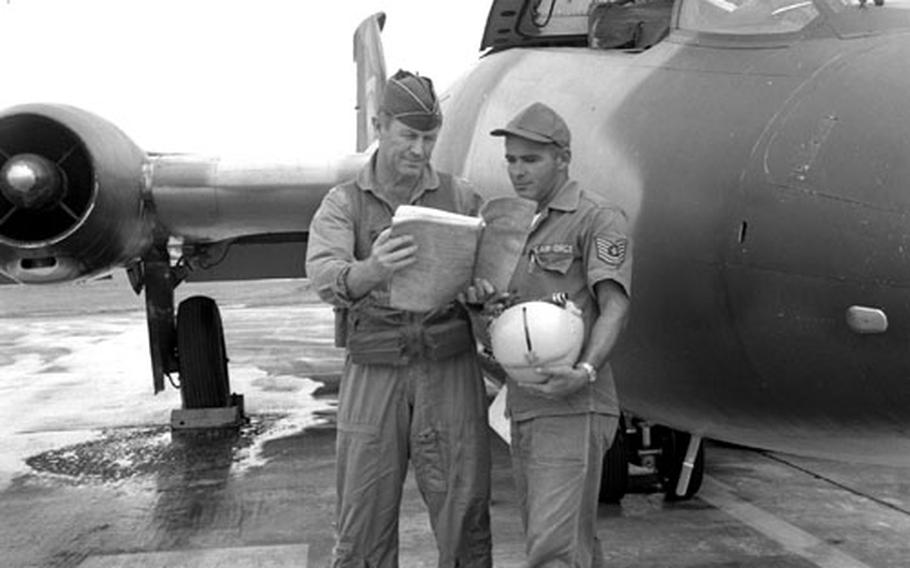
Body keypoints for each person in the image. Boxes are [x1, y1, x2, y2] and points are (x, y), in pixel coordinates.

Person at [305, 69, 492, 567]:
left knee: (464, 514)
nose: (419, 150)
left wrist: (481, 293)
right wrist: (373, 269)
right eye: (408, 135)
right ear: (379, 125)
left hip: (448, 367)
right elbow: (324, 276)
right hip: (376, 370)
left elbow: (491, 279)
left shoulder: (463, 198)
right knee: (362, 517)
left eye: (429, 138)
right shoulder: (343, 203)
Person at [473, 102, 633, 567]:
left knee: (552, 548)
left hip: (574, 405)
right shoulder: (515, 225)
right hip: (525, 405)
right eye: (511, 160)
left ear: (563, 158)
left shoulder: (599, 218)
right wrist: (484, 308)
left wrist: (583, 372)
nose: (517, 172)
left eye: (530, 160)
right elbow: (500, 320)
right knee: (570, 543)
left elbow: (616, 305)